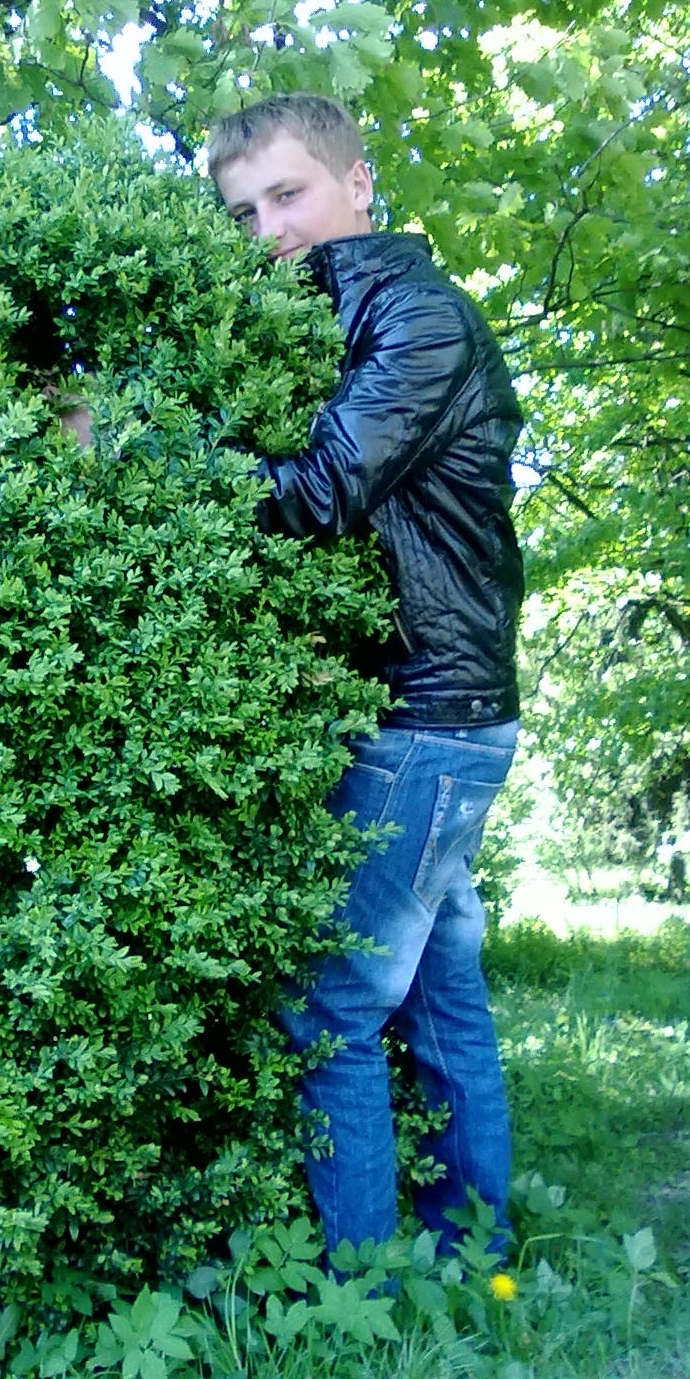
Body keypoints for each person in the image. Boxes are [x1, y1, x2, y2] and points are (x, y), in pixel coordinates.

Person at [208, 93, 524, 1262]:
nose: (269, 231)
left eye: (287, 194)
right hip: (432, 714)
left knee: (330, 1009)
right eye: (245, 213)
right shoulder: (334, 318)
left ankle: (363, 1301)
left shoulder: (419, 317)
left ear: (357, 183)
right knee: (441, 1000)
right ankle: (475, 1267)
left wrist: (132, 453)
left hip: (426, 716)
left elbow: (319, 491)